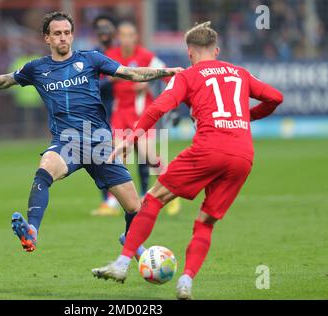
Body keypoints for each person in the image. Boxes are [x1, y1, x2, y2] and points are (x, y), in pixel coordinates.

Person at [0, 12, 183, 254]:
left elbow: (130, 73)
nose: (63, 38)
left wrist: (165, 72)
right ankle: (32, 231)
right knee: (44, 170)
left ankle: (131, 242)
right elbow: (5, 80)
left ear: (72, 35)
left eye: (67, 33)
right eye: (57, 34)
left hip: (99, 143)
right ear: (47, 38)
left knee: (134, 207)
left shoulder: (91, 59)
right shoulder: (37, 68)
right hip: (67, 142)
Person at [92, 21, 283, 300]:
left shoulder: (188, 75)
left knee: (153, 199)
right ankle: (186, 282)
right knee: (205, 222)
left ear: (190, 53)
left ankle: (121, 264)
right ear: (216, 50)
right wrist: (245, 117)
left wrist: (131, 139)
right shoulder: (239, 73)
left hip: (209, 148)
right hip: (243, 156)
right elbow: (275, 97)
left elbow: (159, 107)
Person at [105, 21, 182, 216]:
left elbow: (168, 74)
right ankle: (114, 201)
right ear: (118, 38)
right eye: (123, 35)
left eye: (130, 35)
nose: (127, 39)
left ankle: (172, 194)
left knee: (149, 156)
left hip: (142, 113)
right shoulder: (112, 55)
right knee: (117, 157)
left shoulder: (144, 55)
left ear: (135, 37)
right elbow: (104, 76)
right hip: (120, 113)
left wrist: (148, 80)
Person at [90, 14, 120, 217]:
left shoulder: (120, 53)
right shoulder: (92, 55)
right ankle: (107, 201)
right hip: (102, 109)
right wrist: (109, 82)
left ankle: (143, 194)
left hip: (123, 109)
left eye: (107, 28)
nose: (104, 32)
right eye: (100, 28)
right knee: (101, 154)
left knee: (144, 152)